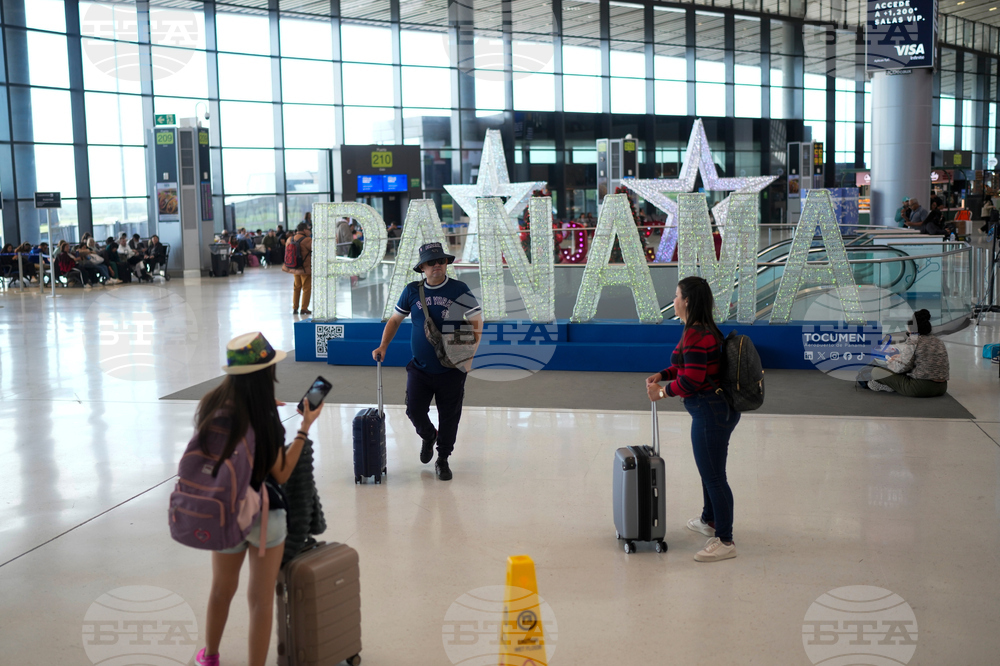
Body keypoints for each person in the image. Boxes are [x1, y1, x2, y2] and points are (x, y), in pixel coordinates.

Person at [192, 332, 323, 666]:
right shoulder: (266, 418)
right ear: (266, 372)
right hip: (266, 515)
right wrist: (304, 427)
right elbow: (280, 473)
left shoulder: (210, 404)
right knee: (260, 600)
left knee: (221, 589)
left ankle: (209, 656)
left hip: (225, 511)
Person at [646, 276, 740, 563]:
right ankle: (709, 520)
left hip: (710, 410)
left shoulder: (697, 334)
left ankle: (725, 540)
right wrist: (664, 374)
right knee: (710, 470)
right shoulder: (699, 330)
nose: (673, 300)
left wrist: (662, 393)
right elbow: (685, 366)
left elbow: (694, 379)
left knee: (714, 476)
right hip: (715, 408)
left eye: (676, 295)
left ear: (687, 301)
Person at [371, 243, 483, 481]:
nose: (437, 266)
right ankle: (429, 435)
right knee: (414, 410)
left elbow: (476, 320)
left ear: (446, 264)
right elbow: (394, 320)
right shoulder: (412, 290)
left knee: (449, 416)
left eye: (441, 261)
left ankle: (443, 458)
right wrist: (383, 346)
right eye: (431, 262)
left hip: (452, 368)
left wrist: (471, 355)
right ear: (422, 267)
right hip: (419, 368)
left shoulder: (459, 289)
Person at [867, 310, 949, 397]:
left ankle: (888, 386)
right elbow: (924, 359)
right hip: (942, 387)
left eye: (908, 333)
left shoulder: (914, 340)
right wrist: (901, 357)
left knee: (875, 371)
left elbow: (902, 368)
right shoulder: (938, 341)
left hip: (921, 388)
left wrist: (891, 361)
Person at [282, 222, 313, 315]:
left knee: (296, 287)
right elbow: (315, 249)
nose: (309, 231)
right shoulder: (307, 240)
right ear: (304, 230)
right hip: (305, 269)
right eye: (308, 229)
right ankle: (304, 308)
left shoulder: (289, 239)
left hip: (294, 267)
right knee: (306, 288)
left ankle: (295, 307)